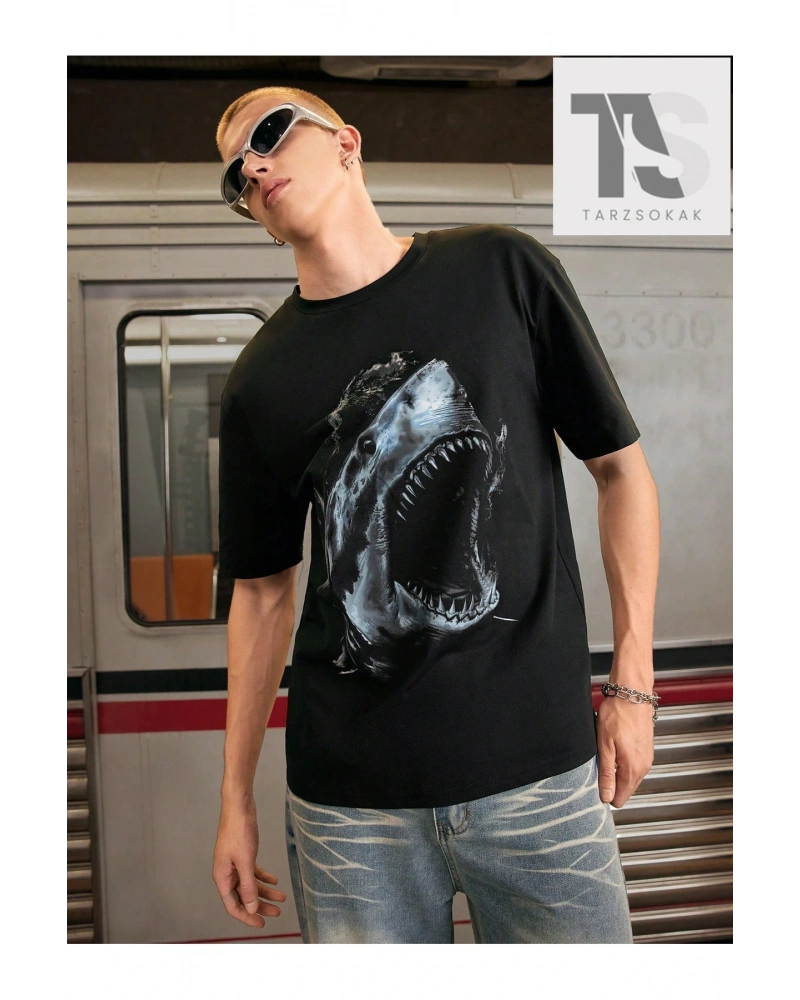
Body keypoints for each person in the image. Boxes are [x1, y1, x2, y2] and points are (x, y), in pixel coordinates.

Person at [210, 85, 660, 944]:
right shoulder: (260, 381)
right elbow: (262, 594)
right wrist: (234, 799)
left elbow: (621, 471)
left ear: (347, 142)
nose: (254, 168)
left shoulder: (501, 269)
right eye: (236, 174)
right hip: (350, 810)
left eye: (270, 134)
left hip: (538, 774)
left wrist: (632, 685)